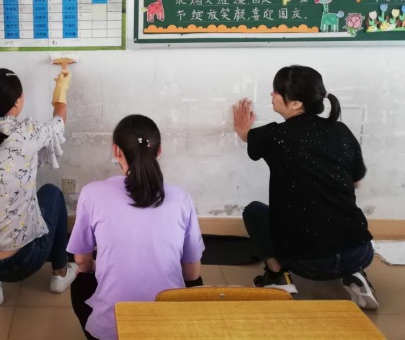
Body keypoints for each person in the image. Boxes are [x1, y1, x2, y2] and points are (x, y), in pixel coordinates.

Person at [233, 65, 378, 309]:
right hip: (359, 251)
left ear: (296, 103)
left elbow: (248, 136)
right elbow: (356, 180)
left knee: (254, 211)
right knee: (339, 216)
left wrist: (242, 128)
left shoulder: (275, 136)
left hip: (307, 263)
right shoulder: (341, 131)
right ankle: (354, 273)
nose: (272, 95)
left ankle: (277, 274)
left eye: (277, 91)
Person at [68, 114, 205, 340]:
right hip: (169, 331)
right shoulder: (182, 198)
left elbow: (82, 261)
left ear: (116, 151)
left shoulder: (92, 193)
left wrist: (102, 268)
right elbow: (192, 273)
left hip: (112, 332)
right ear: (159, 151)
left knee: (81, 278)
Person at [0, 67, 78, 307]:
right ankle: (60, 273)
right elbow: (59, 122)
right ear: (16, 102)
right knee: (52, 194)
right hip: (23, 261)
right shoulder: (28, 133)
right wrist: (61, 90)